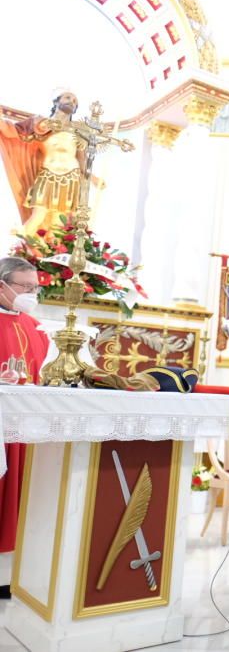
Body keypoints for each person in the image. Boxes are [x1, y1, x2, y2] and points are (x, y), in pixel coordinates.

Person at [0, 257, 49, 598]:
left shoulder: (37, 327)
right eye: (25, 287)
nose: (32, 294)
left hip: (31, 431)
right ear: (2, 285)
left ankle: (13, 575)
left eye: (35, 288)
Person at [0, 92, 102, 235]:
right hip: (48, 175)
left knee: (62, 221)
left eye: (75, 101)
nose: (71, 101)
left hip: (71, 177)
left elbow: (81, 160)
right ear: (56, 101)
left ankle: (55, 249)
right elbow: (15, 133)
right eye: (67, 97)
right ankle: (24, 244)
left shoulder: (77, 132)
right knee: (37, 215)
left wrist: (93, 178)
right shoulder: (40, 123)